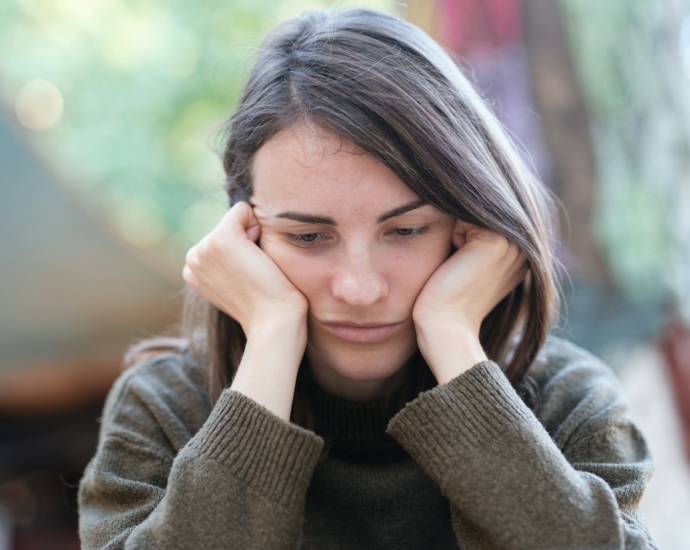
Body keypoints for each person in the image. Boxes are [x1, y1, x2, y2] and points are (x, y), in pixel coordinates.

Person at [78, 8, 656, 549]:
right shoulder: (163, 409)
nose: (360, 289)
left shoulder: (566, 402)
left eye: (406, 231)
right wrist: (273, 337)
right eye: (307, 237)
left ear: (471, 226)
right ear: (244, 233)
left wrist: (451, 335)